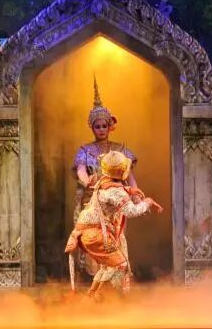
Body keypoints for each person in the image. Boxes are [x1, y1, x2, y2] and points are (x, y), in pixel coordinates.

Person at [64, 151, 162, 300]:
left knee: (107, 265)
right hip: (95, 233)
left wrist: (129, 189)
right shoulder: (116, 192)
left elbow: (112, 189)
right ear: (122, 172)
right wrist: (147, 202)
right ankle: (97, 297)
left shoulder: (102, 180)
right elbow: (131, 211)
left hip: (85, 231)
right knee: (120, 265)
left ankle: (90, 296)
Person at [71, 77, 138, 276]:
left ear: (110, 126)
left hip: (115, 201)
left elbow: (129, 175)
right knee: (95, 238)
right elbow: (81, 170)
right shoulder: (85, 150)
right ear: (92, 128)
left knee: (116, 237)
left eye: (104, 126)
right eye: (97, 126)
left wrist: (135, 193)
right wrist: (88, 182)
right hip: (93, 200)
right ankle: (97, 278)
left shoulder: (120, 150)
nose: (101, 129)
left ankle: (115, 277)